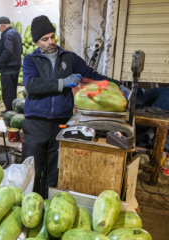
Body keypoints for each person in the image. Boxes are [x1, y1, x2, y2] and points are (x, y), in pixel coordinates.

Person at [21, 15, 128, 199]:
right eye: (44, 39)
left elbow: (92, 75)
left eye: (52, 37)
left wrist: (118, 85)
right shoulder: (31, 60)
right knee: (33, 170)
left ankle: (50, 204)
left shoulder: (69, 58)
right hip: (35, 123)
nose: (50, 42)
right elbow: (32, 86)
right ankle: (30, 205)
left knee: (55, 171)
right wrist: (63, 82)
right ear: (37, 41)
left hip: (61, 124)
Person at [0, 16, 22, 117]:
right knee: (12, 90)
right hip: (14, 67)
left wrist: (1, 61)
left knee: (7, 91)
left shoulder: (7, 34)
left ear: (2, 25)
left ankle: (9, 111)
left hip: (8, 68)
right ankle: (11, 109)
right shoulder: (15, 33)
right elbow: (20, 49)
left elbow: (8, 50)